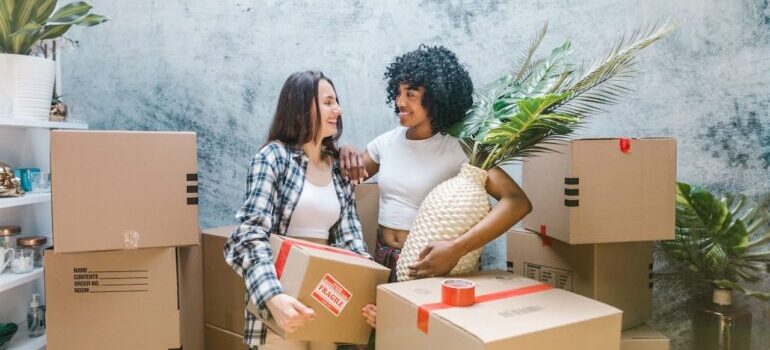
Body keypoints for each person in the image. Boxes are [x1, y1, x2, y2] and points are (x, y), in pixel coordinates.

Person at [339, 45, 533, 329]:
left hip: (430, 266)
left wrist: (456, 249)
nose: (399, 102)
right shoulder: (387, 143)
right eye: (398, 92)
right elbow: (344, 177)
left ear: (437, 98)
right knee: (385, 339)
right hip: (383, 260)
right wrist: (345, 150)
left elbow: (516, 202)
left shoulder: (460, 149)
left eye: (411, 95)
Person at [224, 70, 370, 349]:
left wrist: (366, 297)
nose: (338, 109)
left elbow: (352, 242)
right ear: (302, 107)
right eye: (328, 102)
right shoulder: (273, 158)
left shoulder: (339, 168)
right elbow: (248, 236)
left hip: (326, 297)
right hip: (281, 293)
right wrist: (273, 297)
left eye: (336, 101)